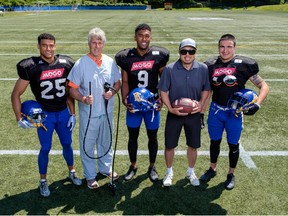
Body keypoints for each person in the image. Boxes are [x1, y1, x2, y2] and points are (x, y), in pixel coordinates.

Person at [11, 33, 82, 197]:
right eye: (44, 45)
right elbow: (15, 94)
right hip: (45, 117)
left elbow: (68, 92)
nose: (48, 49)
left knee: (67, 144)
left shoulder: (66, 63)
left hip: (63, 113)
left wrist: (73, 113)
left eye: (51, 45)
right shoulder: (31, 66)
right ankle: (43, 180)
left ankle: (72, 171)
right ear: (38, 46)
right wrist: (18, 118)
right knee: (45, 148)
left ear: (55, 46)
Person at [200, 34, 269, 190]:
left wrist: (257, 104)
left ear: (234, 47)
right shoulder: (210, 65)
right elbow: (207, 92)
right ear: (218, 48)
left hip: (235, 113)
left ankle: (231, 174)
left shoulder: (243, 65)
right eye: (222, 47)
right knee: (214, 141)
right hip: (216, 111)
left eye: (229, 46)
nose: (225, 50)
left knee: (233, 145)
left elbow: (264, 86)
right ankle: (212, 168)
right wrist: (201, 112)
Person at [67, 27, 121, 189]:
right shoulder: (80, 64)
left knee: (106, 141)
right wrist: (83, 98)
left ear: (103, 44)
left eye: (99, 42)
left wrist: (113, 91)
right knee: (88, 145)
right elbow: (72, 89)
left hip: (106, 112)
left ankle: (106, 168)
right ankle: (90, 176)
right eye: (93, 42)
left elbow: (117, 83)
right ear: (89, 44)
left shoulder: (110, 62)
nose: (96, 46)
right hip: (89, 114)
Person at [115, 23, 169, 182]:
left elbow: (164, 80)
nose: (143, 39)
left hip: (152, 105)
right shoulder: (126, 57)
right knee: (133, 137)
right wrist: (125, 101)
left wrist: (161, 100)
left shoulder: (158, 55)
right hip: (134, 105)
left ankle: (152, 166)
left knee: (152, 137)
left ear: (150, 37)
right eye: (140, 35)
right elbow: (125, 82)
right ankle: (133, 165)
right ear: (135, 37)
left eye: (147, 36)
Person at [158, 38, 210, 187]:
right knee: (169, 145)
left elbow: (206, 89)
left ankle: (190, 171)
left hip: (193, 115)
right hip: (175, 113)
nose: (187, 54)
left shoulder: (203, 68)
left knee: (193, 145)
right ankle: (169, 172)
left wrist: (200, 106)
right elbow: (163, 91)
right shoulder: (170, 69)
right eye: (184, 51)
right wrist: (170, 108)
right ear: (179, 52)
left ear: (195, 52)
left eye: (191, 51)